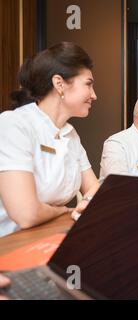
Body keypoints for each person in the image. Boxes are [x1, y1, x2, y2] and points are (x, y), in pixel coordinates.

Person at [0, 42, 100, 238]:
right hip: (8, 244)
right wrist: (64, 210)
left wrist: (86, 201)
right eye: (88, 84)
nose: (94, 95)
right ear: (59, 84)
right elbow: (26, 215)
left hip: (49, 235)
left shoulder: (71, 135)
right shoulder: (13, 124)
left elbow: (94, 188)